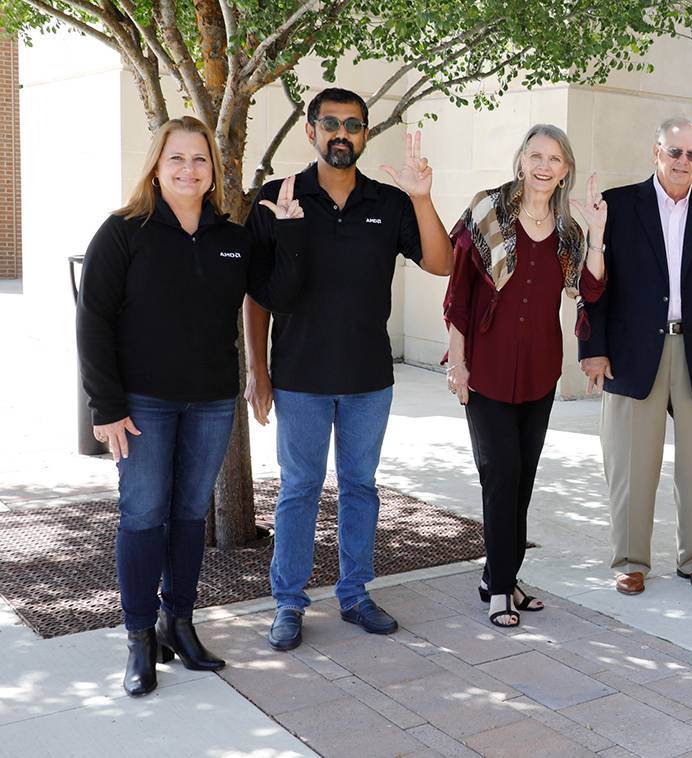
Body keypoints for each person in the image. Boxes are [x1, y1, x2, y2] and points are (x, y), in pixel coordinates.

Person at [77, 116, 305, 696]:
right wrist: (105, 406)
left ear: (213, 170)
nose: (188, 169)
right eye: (176, 158)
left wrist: (291, 237)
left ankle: (178, 623)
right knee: (143, 515)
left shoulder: (232, 238)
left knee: (187, 517)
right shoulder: (124, 231)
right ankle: (138, 638)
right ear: (157, 164)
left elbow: (275, 293)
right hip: (141, 403)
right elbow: (93, 320)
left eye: (199, 159)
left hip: (209, 400)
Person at [244, 88, 454, 651]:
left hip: (368, 379)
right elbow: (256, 295)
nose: (342, 133)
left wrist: (423, 199)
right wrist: (257, 372)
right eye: (331, 123)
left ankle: (355, 594)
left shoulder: (389, 202)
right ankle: (288, 603)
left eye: (353, 125)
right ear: (311, 130)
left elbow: (442, 262)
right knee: (299, 490)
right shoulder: (277, 197)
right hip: (300, 377)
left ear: (365, 134)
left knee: (360, 487)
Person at [442, 124, 607, 627]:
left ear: (565, 171)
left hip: (538, 371)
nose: (544, 165)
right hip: (487, 369)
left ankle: (504, 575)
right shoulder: (487, 210)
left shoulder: (568, 231)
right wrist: (458, 359)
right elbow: (460, 289)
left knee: (523, 481)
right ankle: (498, 591)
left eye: (555, 159)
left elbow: (592, 291)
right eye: (536, 155)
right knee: (500, 475)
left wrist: (597, 232)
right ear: (521, 160)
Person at [578, 117, 692, 595]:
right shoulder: (619, 206)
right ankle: (630, 560)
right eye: (674, 152)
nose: (682, 162)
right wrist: (594, 349)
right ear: (656, 153)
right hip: (632, 351)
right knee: (630, 463)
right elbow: (597, 284)